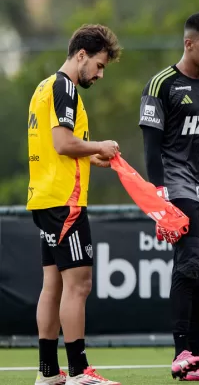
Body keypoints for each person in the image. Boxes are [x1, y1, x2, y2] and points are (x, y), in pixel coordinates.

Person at [29, 25, 122, 385]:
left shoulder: (44, 86)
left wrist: (91, 158)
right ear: (81, 55)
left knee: (52, 285)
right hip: (64, 201)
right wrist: (98, 145)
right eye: (98, 66)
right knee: (79, 284)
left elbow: (64, 149)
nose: (99, 75)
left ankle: (49, 372)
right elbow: (63, 143)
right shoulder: (65, 86)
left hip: (45, 197)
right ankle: (81, 371)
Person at [139, 14, 199, 382]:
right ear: (189, 43)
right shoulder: (161, 84)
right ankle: (180, 353)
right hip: (178, 190)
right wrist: (160, 200)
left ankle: (193, 360)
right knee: (188, 264)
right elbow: (150, 146)